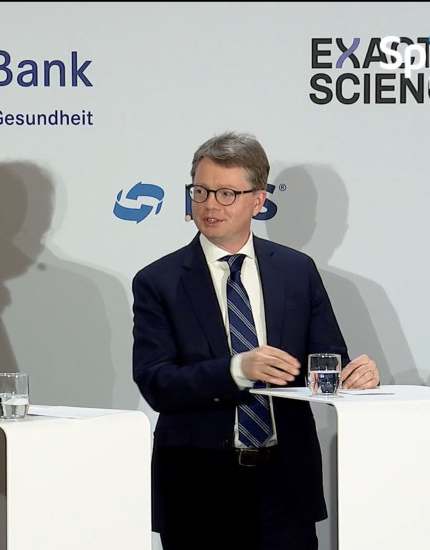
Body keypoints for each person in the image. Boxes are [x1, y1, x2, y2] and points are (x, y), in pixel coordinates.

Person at [132, 131, 380, 550]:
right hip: (198, 490)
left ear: (259, 200)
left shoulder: (296, 271)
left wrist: (357, 376)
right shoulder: (159, 281)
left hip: (285, 487)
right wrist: (237, 370)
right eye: (200, 191)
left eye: (227, 193)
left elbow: (328, 361)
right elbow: (157, 383)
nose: (210, 205)